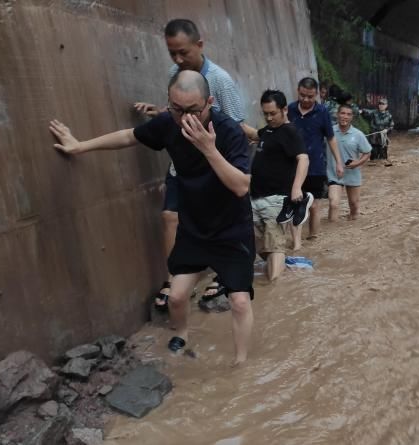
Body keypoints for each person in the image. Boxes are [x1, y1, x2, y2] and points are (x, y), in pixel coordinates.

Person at [50, 71, 254, 365]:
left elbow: (241, 186)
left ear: (209, 102)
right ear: (169, 102)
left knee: (239, 300)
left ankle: (240, 366)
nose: (185, 118)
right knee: (177, 296)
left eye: (193, 110)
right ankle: (182, 334)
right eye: (177, 109)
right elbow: (128, 136)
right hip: (194, 227)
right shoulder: (167, 124)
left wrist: (208, 148)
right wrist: (79, 145)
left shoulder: (229, 132)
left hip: (232, 229)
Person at [134, 18, 246, 311]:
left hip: (213, 167)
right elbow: (174, 113)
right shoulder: (175, 73)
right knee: (170, 217)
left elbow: (237, 128)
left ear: (200, 45)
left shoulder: (221, 81)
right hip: (181, 165)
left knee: (218, 223)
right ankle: (174, 279)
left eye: (183, 52)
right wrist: (160, 112)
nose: (178, 59)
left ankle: (221, 274)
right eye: (172, 53)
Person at [242, 90, 310, 281]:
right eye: (265, 114)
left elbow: (304, 159)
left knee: (275, 246)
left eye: (273, 113)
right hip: (256, 198)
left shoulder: (290, 132)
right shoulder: (269, 130)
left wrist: (296, 188)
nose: (269, 118)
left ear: (284, 110)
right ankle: (284, 271)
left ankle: (276, 289)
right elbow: (256, 134)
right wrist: (234, 123)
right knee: (257, 243)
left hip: (276, 200)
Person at [287, 77, 344, 249]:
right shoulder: (289, 109)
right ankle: (296, 242)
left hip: (315, 166)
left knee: (314, 206)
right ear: (298, 91)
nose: (306, 99)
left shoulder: (322, 112)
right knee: (293, 203)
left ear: (317, 95)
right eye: (303, 95)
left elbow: (331, 138)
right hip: (292, 165)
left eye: (310, 96)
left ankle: (312, 238)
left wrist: (339, 162)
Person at [327, 104, 372, 222]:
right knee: (334, 204)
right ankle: (332, 231)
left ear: (352, 117)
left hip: (352, 173)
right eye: (342, 113)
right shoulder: (329, 132)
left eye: (348, 114)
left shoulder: (358, 134)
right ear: (337, 114)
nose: (345, 117)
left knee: (354, 206)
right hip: (334, 174)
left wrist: (357, 163)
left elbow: (367, 152)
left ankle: (352, 219)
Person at [362, 98, 394, 163]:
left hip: (383, 139)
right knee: (373, 158)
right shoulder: (373, 113)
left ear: (386, 105)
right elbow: (366, 111)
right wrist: (361, 111)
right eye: (380, 103)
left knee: (383, 159)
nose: (381, 105)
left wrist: (387, 130)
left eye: (383, 104)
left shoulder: (389, 116)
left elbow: (391, 126)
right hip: (374, 138)